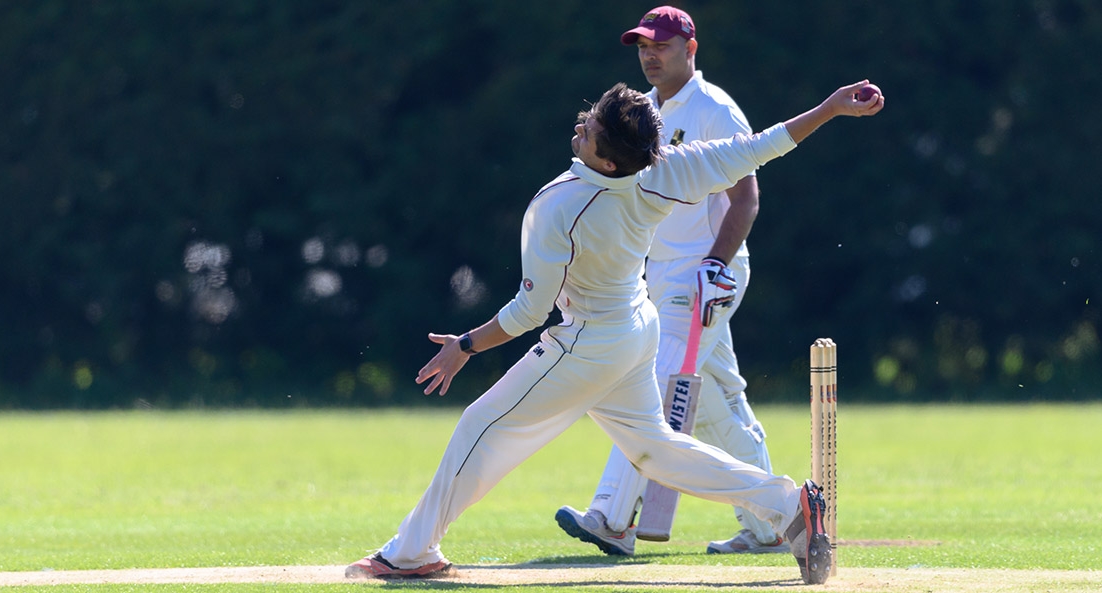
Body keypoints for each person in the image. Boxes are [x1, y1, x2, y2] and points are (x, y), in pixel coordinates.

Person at [344, 81, 883, 585]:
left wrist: (466, 345)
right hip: (635, 330)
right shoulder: (663, 171)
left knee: (479, 425)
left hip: (588, 343)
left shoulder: (560, 207)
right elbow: (759, 147)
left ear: (606, 159)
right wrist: (830, 108)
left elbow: (530, 312)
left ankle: (410, 554)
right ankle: (790, 504)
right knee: (656, 453)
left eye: (592, 126)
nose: (581, 123)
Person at [555, 6, 787, 556]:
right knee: (718, 406)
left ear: (690, 48)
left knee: (650, 389)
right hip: (661, 274)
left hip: (706, 273)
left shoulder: (714, 109)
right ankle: (773, 524)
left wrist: (715, 265)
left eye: (660, 45)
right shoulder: (644, 113)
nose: (650, 55)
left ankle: (612, 516)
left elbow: (746, 197)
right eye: (642, 46)